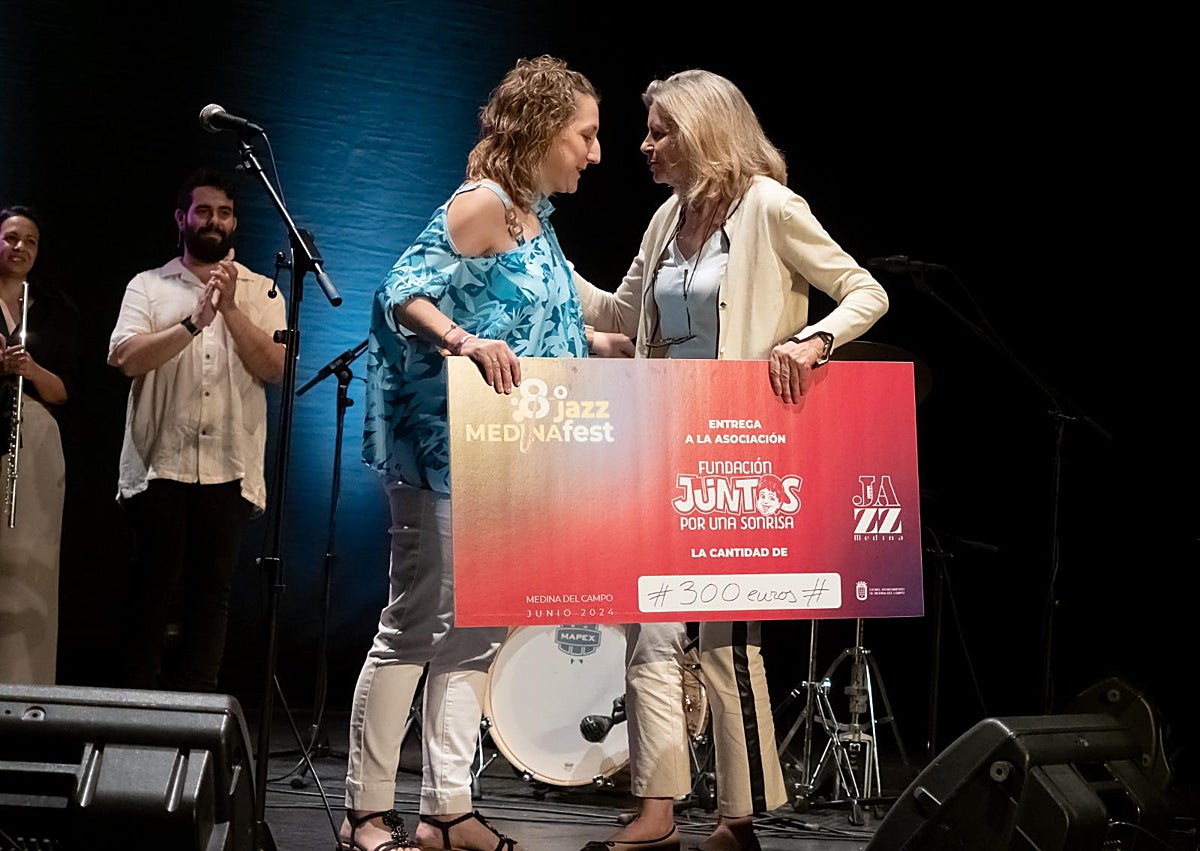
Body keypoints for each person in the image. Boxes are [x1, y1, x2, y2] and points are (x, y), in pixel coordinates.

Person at [575, 70, 889, 851]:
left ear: (706, 130)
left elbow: (864, 290)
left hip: (740, 452)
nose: (643, 146)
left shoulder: (770, 209)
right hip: (661, 439)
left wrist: (811, 341)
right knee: (648, 627)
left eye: (659, 131)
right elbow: (621, 313)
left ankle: (739, 818)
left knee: (725, 639)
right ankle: (658, 806)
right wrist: (545, 264)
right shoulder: (663, 220)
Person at [341, 55, 649, 851]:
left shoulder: (535, 216)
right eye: (586, 133)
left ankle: (446, 811)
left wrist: (601, 343)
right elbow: (399, 291)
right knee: (415, 624)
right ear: (545, 130)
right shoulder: (481, 204)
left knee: (475, 632)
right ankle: (363, 813)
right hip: (441, 448)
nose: (596, 150)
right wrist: (464, 339)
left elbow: (537, 318)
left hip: (506, 454)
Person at [107, 167, 286, 693]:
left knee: (213, 595)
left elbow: (275, 367)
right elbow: (125, 358)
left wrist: (228, 309)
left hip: (227, 467)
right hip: (161, 463)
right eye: (203, 210)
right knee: (151, 591)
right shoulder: (149, 285)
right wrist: (191, 323)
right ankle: (136, 715)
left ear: (235, 223)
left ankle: (195, 712)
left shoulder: (260, 288)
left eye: (224, 212)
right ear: (181, 218)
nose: (214, 221)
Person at [0, 205, 80, 685]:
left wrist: (27, 370)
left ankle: (23, 689)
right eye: (11, 238)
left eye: (29, 241)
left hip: (35, 440)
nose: (20, 248)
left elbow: (66, 390)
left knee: (29, 566)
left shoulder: (54, 308)